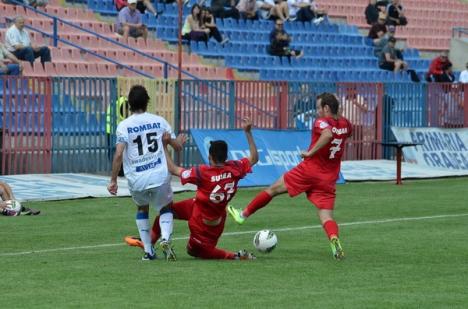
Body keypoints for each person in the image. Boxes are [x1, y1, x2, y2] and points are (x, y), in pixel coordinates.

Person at [228, 93, 352, 260]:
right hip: (329, 177)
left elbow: (328, 134)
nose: (317, 112)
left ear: (326, 108)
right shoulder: (346, 124)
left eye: (318, 108)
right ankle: (334, 239)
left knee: (272, 189)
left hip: (310, 170)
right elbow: (340, 132)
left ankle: (242, 215)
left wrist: (310, 153)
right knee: (326, 215)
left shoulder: (321, 122)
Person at [126, 118, 259, 260]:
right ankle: (149, 244)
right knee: (167, 212)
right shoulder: (235, 168)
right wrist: (248, 132)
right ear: (226, 157)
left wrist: (164, 146)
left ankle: (234, 256)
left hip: (203, 225)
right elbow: (254, 158)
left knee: (193, 250)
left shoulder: (203, 173)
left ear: (210, 157)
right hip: (205, 212)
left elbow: (173, 168)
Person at [107, 85, 184, 261]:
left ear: (129, 104)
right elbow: (176, 146)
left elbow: (118, 154)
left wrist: (113, 180)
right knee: (165, 207)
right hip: (159, 175)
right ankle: (165, 238)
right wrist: (179, 141)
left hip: (137, 178)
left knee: (142, 208)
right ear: (147, 102)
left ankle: (149, 251)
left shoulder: (123, 126)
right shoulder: (160, 121)